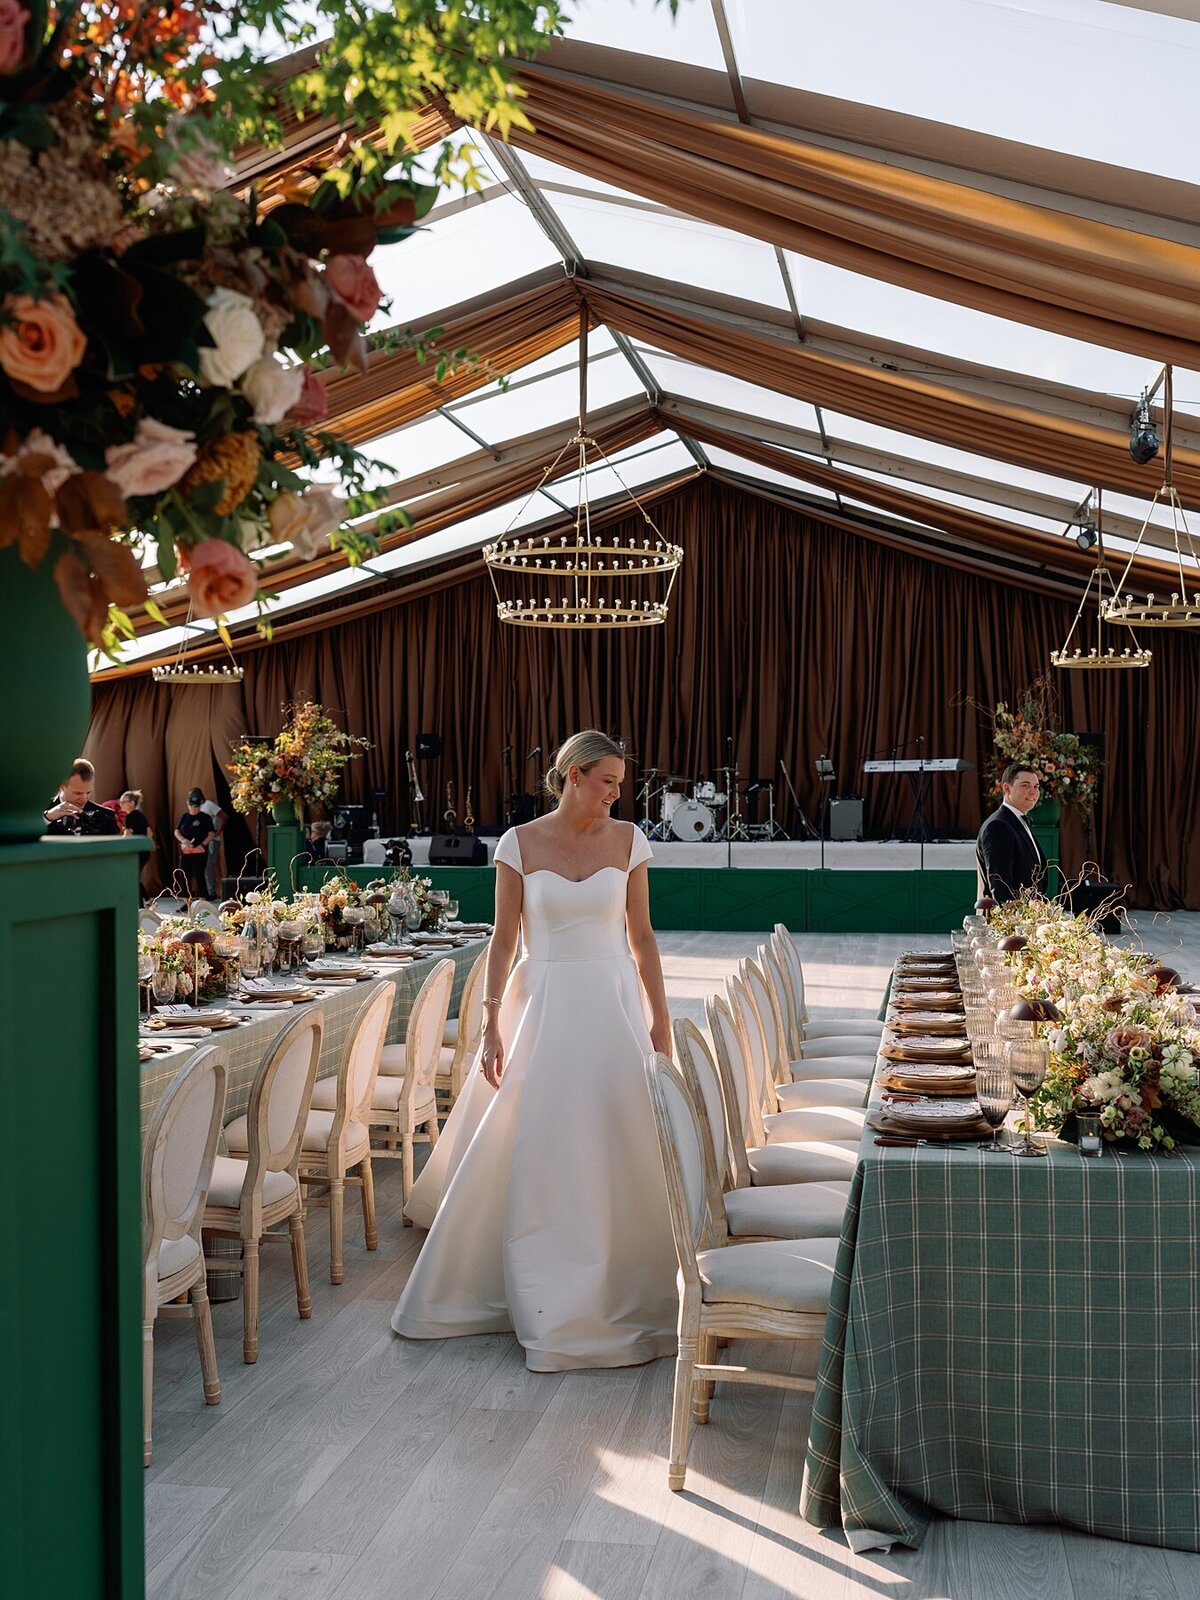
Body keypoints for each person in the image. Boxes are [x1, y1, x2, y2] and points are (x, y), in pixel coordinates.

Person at [392, 729, 677, 1372]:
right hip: (542, 999)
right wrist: (491, 1019)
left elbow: (643, 938)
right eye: (607, 780)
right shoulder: (518, 845)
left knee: (616, 1132)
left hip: (610, 1003)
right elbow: (502, 939)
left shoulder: (631, 841)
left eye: (618, 783)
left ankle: (628, 1272)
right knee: (541, 1135)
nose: (616, 793)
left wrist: (659, 1021)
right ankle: (537, 1276)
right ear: (574, 775)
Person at [976, 762, 1046, 903]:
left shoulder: (1016, 821)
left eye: (1036, 786)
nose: (1033, 792)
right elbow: (1000, 885)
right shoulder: (997, 826)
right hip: (1005, 922)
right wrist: (1014, 921)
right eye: (1025, 785)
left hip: (1026, 920)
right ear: (1007, 788)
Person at [43, 759, 121, 837]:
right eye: (78, 793)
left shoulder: (106, 816)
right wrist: (46, 819)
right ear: (61, 787)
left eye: (88, 792)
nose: (84, 798)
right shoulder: (39, 812)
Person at [175, 788, 215, 900]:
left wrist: (202, 845)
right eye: (192, 806)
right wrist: (183, 840)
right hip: (186, 850)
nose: (194, 808)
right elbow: (177, 830)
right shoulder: (184, 817)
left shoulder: (205, 817)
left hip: (199, 849)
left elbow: (211, 833)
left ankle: (202, 898)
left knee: (199, 874)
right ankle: (186, 899)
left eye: (197, 806)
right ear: (188, 804)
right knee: (184, 873)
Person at [188, 786, 227, 898]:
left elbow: (224, 816)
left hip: (211, 840)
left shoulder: (208, 805)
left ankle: (211, 892)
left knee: (209, 865)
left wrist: (218, 831)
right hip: (199, 842)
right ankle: (202, 891)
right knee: (199, 866)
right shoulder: (194, 807)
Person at [120, 789, 154, 904]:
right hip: (143, 851)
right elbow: (150, 833)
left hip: (136, 851)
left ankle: (141, 905)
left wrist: (118, 847)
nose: (121, 804)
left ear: (132, 803)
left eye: (124, 802)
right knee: (133, 877)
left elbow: (127, 835)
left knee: (132, 877)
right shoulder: (141, 816)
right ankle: (147, 901)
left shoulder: (130, 817)